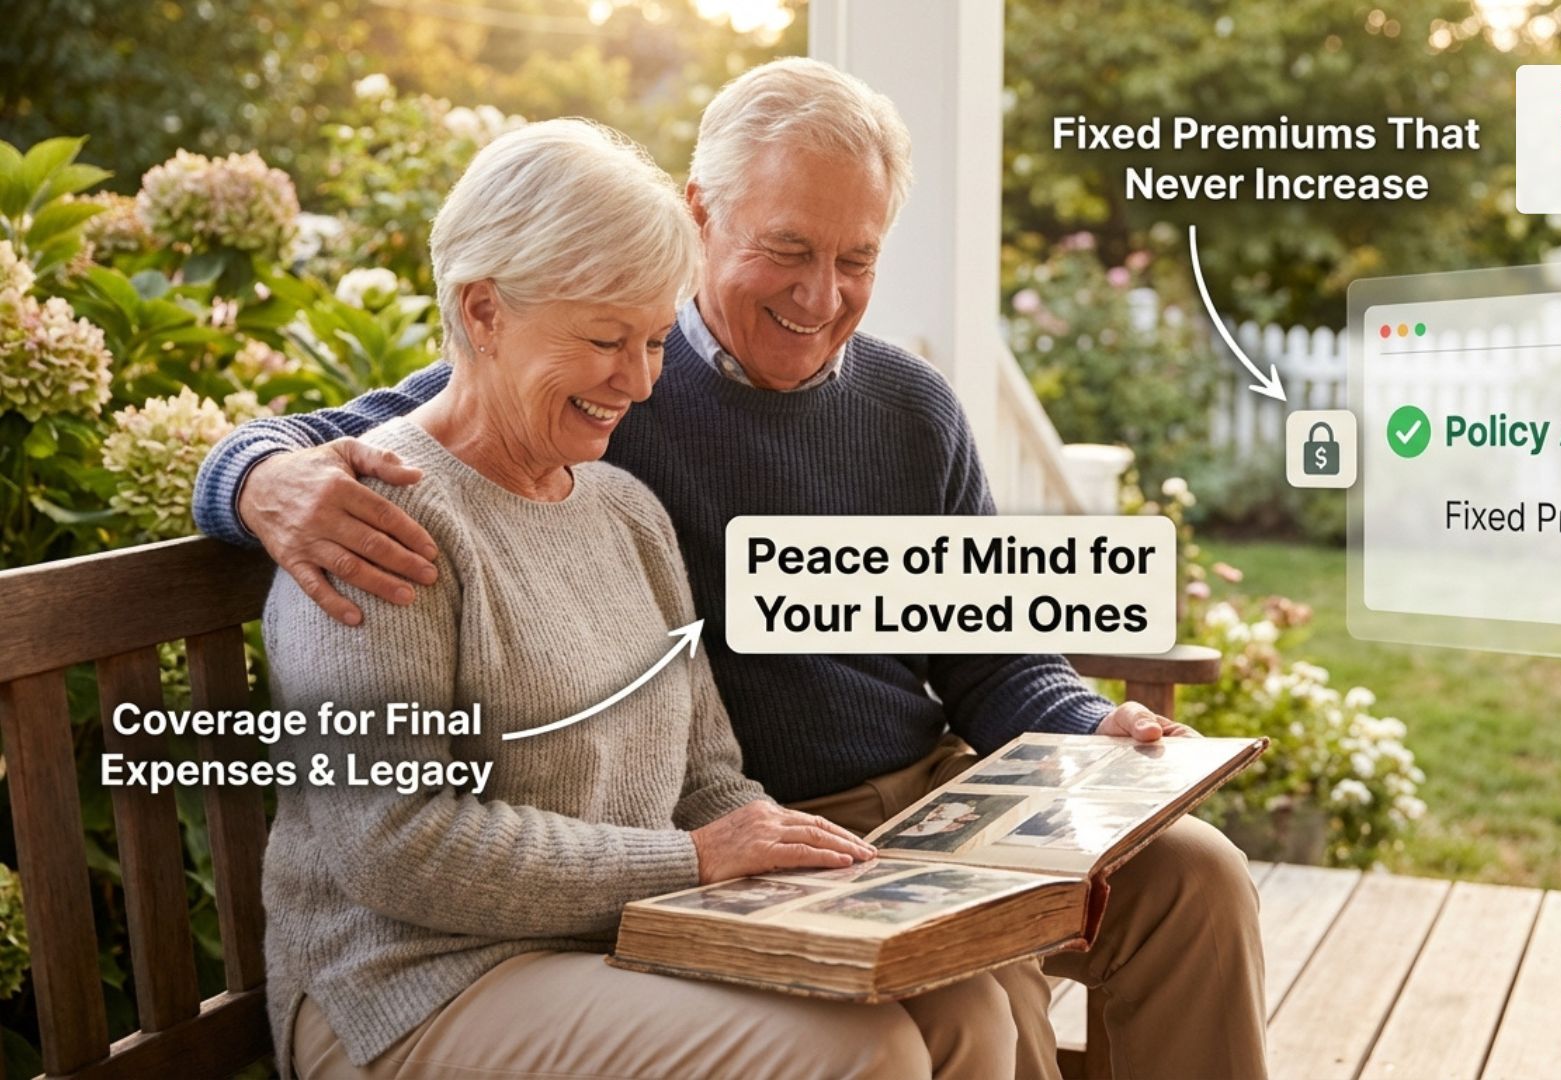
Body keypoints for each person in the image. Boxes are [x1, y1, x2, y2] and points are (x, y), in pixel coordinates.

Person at [199, 59, 1265, 1079]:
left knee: (1196, 879)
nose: (822, 294)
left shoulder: (880, 412)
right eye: (789, 249)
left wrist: (1089, 727)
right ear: (700, 214)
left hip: (904, 803)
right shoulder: (583, 388)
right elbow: (420, 439)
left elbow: (989, 653)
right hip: (733, 842)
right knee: (966, 1001)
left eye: (856, 260)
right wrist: (255, 476)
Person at [259, 117, 1017, 1080]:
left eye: (657, 339)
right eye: (606, 340)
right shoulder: (379, 521)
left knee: (963, 1008)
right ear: (484, 312)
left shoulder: (623, 510)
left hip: (621, 942)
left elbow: (707, 778)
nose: (640, 380)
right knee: (858, 1053)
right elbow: (396, 844)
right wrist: (694, 863)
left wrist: (829, 883)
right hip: (417, 984)